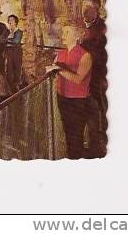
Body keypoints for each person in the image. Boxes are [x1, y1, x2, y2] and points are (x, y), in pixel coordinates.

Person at [47, 24, 95, 159]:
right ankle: (72, 157)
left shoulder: (85, 56)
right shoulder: (60, 54)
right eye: (63, 32)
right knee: (67, 131)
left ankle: (76, 160)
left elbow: (78, 79)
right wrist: (51, 71)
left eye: (67, 32)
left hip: (78, 101)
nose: (63, 35)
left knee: (76, 134)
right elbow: (53, 71)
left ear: (76, 36)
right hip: (63, 98)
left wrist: (58, 70)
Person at [79, 0, 108, 157]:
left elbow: (96, 52)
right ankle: (92, 143)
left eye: (89, 7)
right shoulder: (84, 26)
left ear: (97, 10)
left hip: (96, 77)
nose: (85, 11)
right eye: (83, 7)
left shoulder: (101, 29)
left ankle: (97, 147)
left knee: (96, 111)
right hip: (85, 78)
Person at [5, 14, 24, 92]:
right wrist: (7, 40)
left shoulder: (19, 32)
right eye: (9, 20)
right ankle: (10, 86)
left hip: (16, 52)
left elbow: (16, 41)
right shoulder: (7, 31)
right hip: (9, 51)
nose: (10, 22)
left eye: (12, 20)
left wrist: (7, 40)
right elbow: (1, 39)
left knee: (17, 68)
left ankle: (17, 85)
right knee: (9, 68)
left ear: (16, 22)